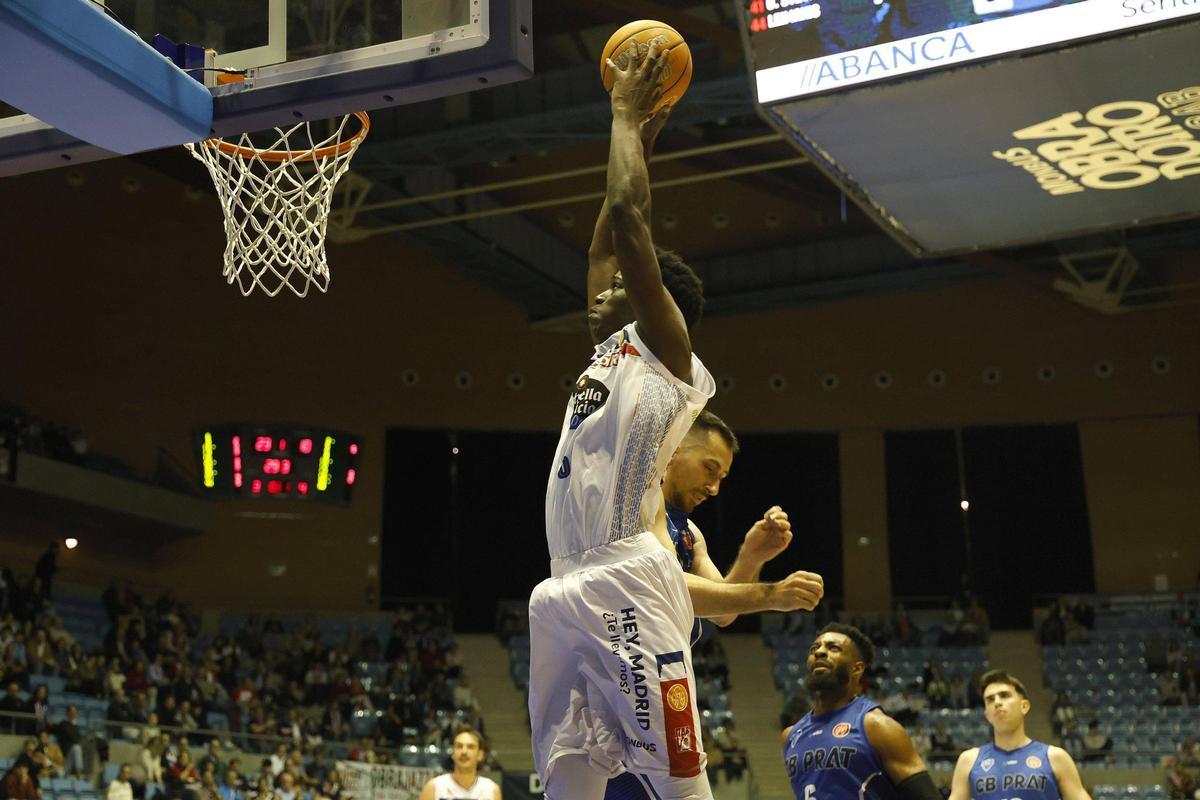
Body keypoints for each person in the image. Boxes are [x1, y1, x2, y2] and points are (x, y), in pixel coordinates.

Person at [528, 39, 824, 800]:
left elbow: (630, 222)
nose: (600, 291)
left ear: (652, 299)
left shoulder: (667, 353)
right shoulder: (609, 350)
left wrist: (625, 115)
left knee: (680, 784)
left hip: (630, 578)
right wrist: (646, 134)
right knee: (567, 780)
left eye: (618, 287)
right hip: (562, 586)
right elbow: (605, 237)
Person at [782, 623, 941, 800]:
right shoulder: (791, 736)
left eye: (833, 648)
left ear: (857, 669)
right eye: (814, 648)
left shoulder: (877, 727)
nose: (819, 652)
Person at [947, 669, 1091, 800]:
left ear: (1024, 706)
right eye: (990, 699)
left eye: (1004, 695)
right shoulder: (968, 761)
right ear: (987, 714)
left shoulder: (1055, 757)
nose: (997, 702)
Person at [418, 728, 500, 800]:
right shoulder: (434, 788)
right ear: (453, 753)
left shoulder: (491, 790)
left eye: (470, 747)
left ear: (480, 754)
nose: (464, 752)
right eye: (459, 746)